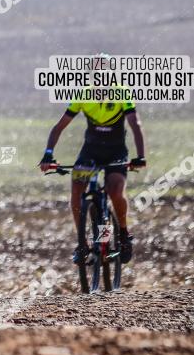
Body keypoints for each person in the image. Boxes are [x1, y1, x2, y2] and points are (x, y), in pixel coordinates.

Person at [39, 56, 146, 264]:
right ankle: (82, 243)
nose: (101, 76)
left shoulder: (122, 92)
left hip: (116, 153)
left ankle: (123, 235)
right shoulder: (83, 93)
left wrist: (140, 156)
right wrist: (48, 154)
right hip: (90, 151)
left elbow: (135, 125)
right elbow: (59, 126)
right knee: (77, 189)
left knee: (115, 191)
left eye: (105, 72)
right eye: (97, 73)